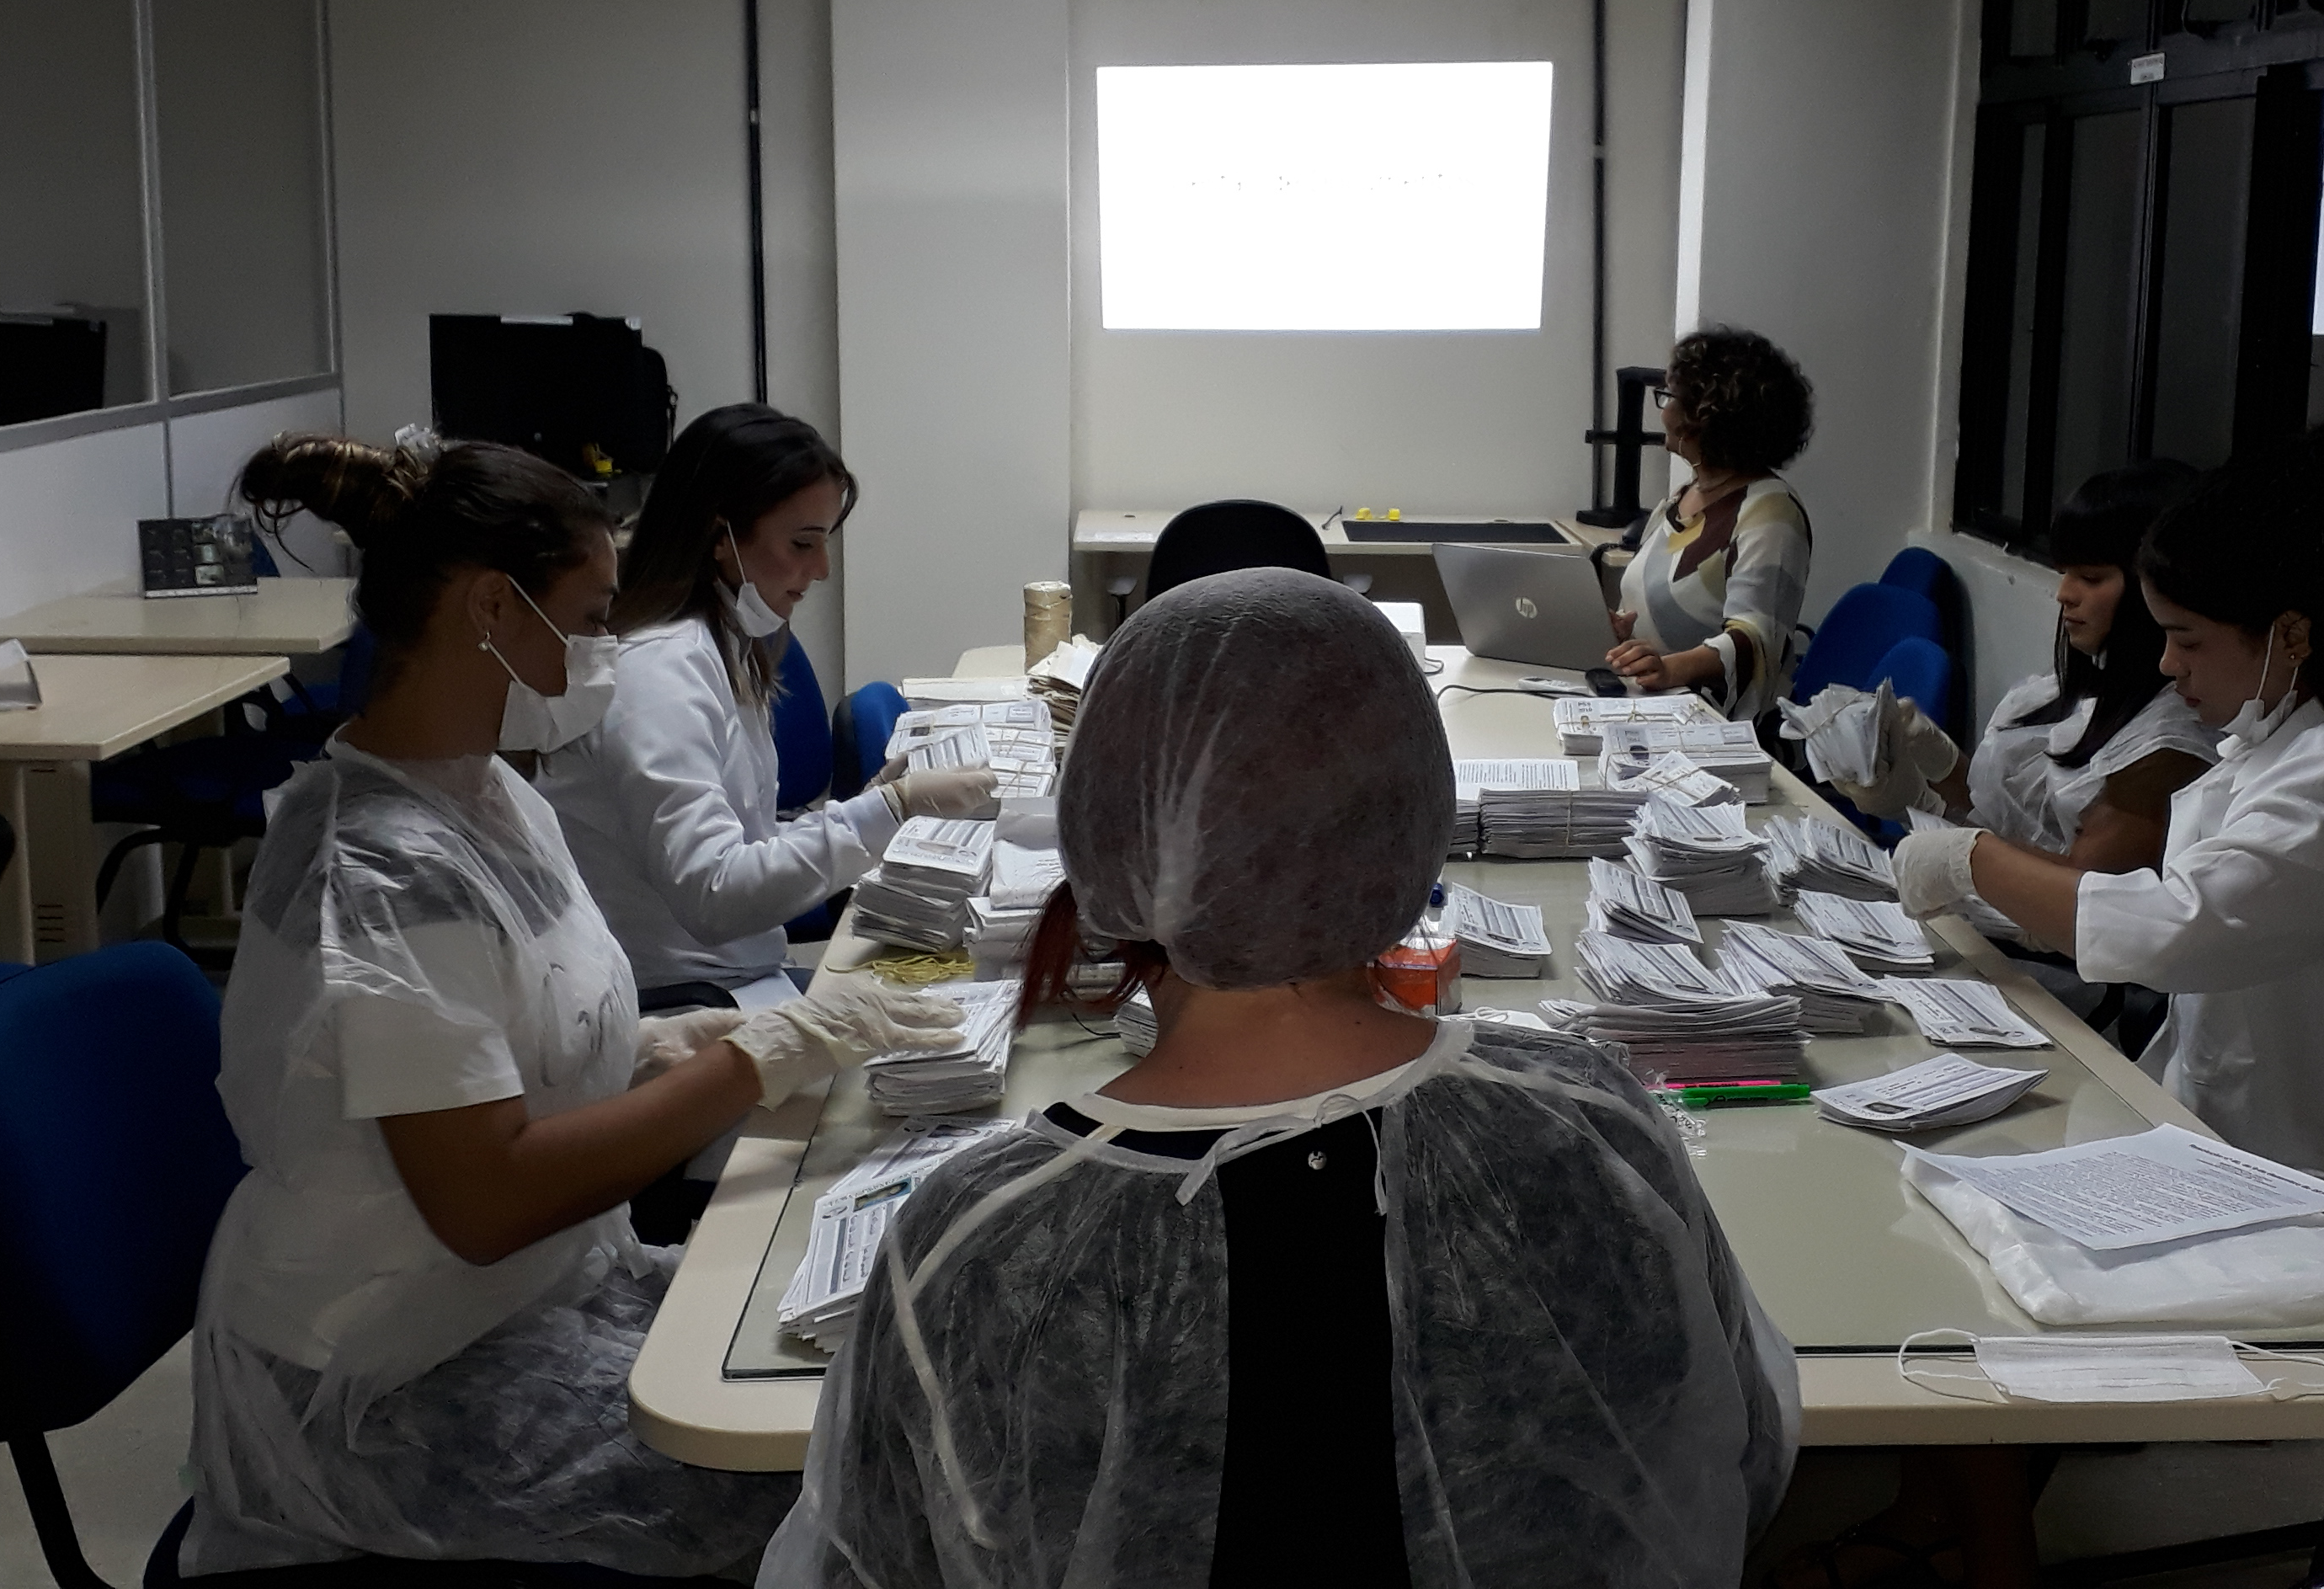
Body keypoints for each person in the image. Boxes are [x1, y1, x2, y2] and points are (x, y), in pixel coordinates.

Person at [760, 568, 1799, 1589]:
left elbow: (876, 1556)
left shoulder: (975, 1239)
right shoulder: (1595, 1127)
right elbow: (1727, 1466)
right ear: (1406, 819)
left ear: (1109, 826)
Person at [186, 431, 965, 1578]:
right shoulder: (382, 869)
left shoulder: (491, 794)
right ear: (493, 611)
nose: (611, 650)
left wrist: (674, 1047)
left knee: (864, 1368)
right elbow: (487, 1197)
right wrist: (756, 1060)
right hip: (389, 1378)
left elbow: (520, 1054)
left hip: (538, 1290)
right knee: (852, 1483)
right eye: (594, 618)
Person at [1888, 424, 2324, 1275]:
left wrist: (1973, 862)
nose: (2166, 663)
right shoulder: (2285, 737)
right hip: (2236, 1140)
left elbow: (2173, 927)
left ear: (2292, 634)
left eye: (2187, 640)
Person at [541, 403, 994, 1010]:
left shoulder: (716, 643)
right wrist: (891, 808)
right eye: (803, 543)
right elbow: (717, 893)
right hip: (689, 1008)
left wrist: (872, 804)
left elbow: (741, 843)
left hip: (738, 977)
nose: (823, 569)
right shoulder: (657, 674)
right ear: (720, 538)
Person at [1830, 463, 2218, 1032]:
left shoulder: (2167, 741)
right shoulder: (2077, 688)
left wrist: (1963, 854)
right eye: (2063, 573)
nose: (2064, 595)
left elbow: (2074, 897)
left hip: (2054, 982)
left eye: (2090, 577)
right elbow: (2014, 820)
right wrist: (1928, 778)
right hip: (1989, 940)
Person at [1607, 325, 1819, 720]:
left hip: (1714, 730)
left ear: (1707, 418)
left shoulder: (1770, 511)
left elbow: (1755, 641)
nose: (1664, 411)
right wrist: (1621, 633)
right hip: (1648, 710)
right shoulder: (1683, 497)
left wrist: (1669, 669)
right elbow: (1647, 607)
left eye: (1669, 397)